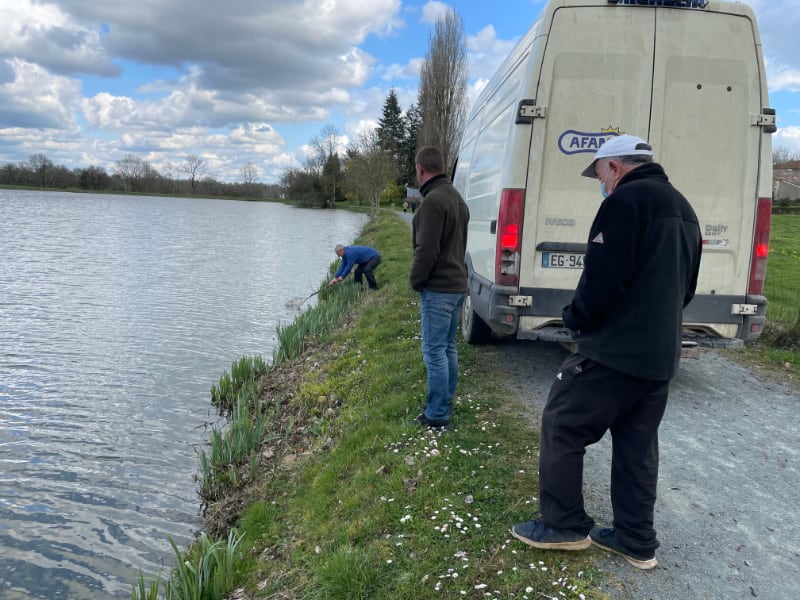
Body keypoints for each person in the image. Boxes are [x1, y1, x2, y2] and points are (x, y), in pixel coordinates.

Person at [510, 135, 702, 569]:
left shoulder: (624, 204)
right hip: (659, 356)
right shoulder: (684, 209)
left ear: (614, 167)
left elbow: (601, 279)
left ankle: (563, 525)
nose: (600, 183)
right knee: (637, 445)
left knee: (561, 422)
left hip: (615, 350)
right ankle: (636, 540)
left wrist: (575, 318)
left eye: (598, 173)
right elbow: (687, 287)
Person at [409, 146, 470, 429]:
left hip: (439, 288)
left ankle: (436, 414)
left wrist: (416, 280)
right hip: (457, 286)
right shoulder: (457, 198)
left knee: (434, 351)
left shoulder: (433, 202)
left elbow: (427, 250)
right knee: (448, 348)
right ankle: (445, 402)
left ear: (421, 169)